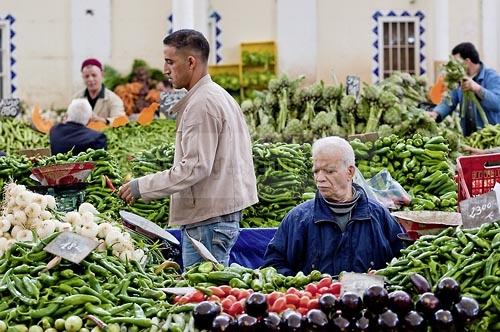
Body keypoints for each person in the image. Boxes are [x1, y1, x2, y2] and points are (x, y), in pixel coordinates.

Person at [118, 29, 258, 268]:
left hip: (207, 222)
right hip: (216, 217)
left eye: (170, 61)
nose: (165, 69)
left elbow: (194, 168)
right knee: (210, 294)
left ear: (191, 62)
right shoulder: (218, 95)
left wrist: (140, 187)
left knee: (201, 296)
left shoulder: (201, 104)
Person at [263, 136, 404, 276]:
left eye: (329, 171)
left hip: (369, 297)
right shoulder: (298, 218)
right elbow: (273, 265)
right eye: (316, 171)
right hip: (313, 298)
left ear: (350, 172)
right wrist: (302, 285)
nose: (320, 178)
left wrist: (383, 275)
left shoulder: (378, 215)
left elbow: (402, 259)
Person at [428, 42, 500, 136]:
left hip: (490, 135)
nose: (454, 66)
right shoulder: (459, 79)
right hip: (468, 136)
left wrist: (477, 88)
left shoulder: (491, 76)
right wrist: (436, 113)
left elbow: (497, 103)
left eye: (456, 62)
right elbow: (449, 101)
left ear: (467, 61)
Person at [74, 58, 126, 125]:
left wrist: (103, 120)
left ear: (102, 74)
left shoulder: (114, 99)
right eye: (86, 76)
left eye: (94, 75)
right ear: (82, 77)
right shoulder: (76, 98)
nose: (90, 79)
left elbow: (121, 121)